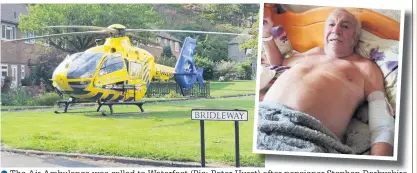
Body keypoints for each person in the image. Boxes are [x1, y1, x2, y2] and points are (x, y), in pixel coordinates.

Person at [261, 8, 394, 156]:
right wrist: (266, 34)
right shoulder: (313, 52)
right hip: (263, 117)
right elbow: (279, 62)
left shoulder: (365, 67)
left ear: (355, 38)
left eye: (345, 26)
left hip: (304, 136)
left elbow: (382, 124)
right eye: (331, 24)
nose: (336, 30)